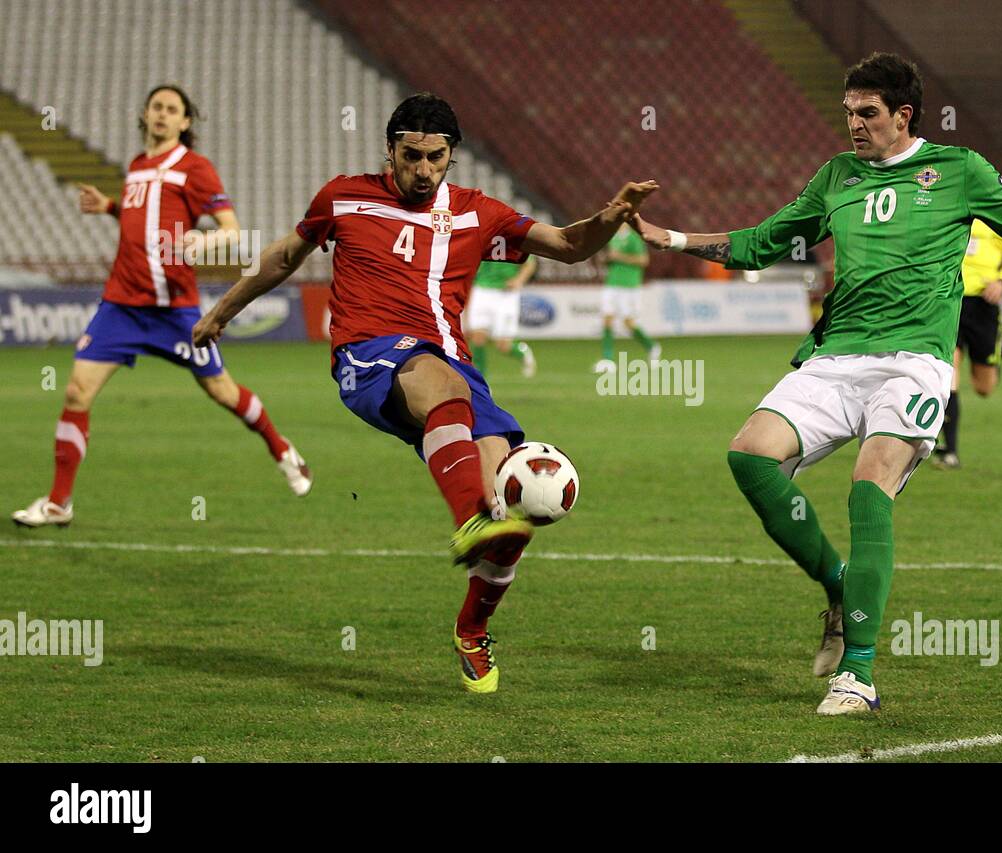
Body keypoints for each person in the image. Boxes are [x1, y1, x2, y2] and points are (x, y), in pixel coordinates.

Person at [631, 53, 1002, 715]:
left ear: (903, 115)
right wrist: (668, 235)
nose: (853, 124)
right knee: (749, 454)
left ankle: (857, 676)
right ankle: (838, 585)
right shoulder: (836, 176)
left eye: (867, 113)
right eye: (848, 111)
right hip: (834, 358)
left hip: (915, 361)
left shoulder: (960, 171)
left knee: (868, 483)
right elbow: (760, 243)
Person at [193, 92, 656, 694]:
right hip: (369, 354)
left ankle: (471, 629)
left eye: (436, 158)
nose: (423, 170)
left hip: (453, 370)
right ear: (390, 150)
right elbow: (284, 256)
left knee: (508, 510)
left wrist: (611, 216)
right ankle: (467, 518)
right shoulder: (344, 196)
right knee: (450, 416)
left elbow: (570, 246)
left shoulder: (475, 213)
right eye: (411, 156)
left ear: (451, 156)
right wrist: (222, 312)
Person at [12, 84, 310, 529]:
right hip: (122, 306)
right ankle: (59, 503)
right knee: (76, 391)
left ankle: (281, 449)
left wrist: (204, 240)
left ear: (186, 122)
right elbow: (142, 222)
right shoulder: (136, 166)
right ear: (146, 114)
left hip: (175, 311)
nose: (163, 115)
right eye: (157, 107)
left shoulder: (195, 168)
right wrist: (111, 206)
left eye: (173, 110)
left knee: (223, 392)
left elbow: (232, 230)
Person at [933, 218, 1002, 469]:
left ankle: (999, 346)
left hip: (982, 304)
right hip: (948, 301)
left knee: (984, 387)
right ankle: (950, 451)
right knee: (947, 376)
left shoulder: (994, 216)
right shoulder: (946, 209)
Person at [594, 221, 659, 373]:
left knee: (628, 323)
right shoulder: (613, 236)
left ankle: (651, 346)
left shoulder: (634, 237)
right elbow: (611, 258)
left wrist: (619, 256)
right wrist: (606, 259)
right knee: (607, 318)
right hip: (612, 282)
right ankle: (608, 360)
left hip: (629, 285)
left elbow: (643, 260)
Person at [465, 257, 538, 379]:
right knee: (477, 337)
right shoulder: (480, 238)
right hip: (482, 289)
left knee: (503, 345)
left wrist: (519, 280)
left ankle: (522, 352)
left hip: (506, 293)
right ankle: (481, 382)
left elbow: (530, 263)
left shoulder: (513, 239)